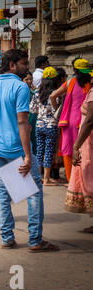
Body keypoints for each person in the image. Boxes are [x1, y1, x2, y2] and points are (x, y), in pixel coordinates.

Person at [0, 49, 59, 252]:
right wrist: (27, 156)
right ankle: (35, 240)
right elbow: (22, 122)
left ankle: (7, 238)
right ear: (12, 65)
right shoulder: (20, 88)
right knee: (33, 193)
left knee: (2, 192)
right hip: (16, 149)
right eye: (24, 63)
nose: (27, 67)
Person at [51, 58, 92, 183]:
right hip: (86, 122)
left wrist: (58, 109)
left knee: (68, 152)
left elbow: (53, 96)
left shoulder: (70, 83)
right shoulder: (90, 84)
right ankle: (84, 182)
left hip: (70, 122)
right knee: (85, 152)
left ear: (74, 70)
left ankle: (71, 182)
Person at [65, 78, 93, 231]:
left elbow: (89, 121)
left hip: (89, 143)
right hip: (87, 141)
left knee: (89, 175)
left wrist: (76, 146)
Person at [31, 67, 61, 186]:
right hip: (51, 125)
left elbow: (32, 108)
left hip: (39, 124)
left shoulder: (37, 92)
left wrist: (41, 114)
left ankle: (39, 178)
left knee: (39, 151)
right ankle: (47, 179)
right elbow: (56, 110)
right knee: (48, 151)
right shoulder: (55, 93)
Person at [23, 71, 38, 156]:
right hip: (26, 119)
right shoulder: (22, 93)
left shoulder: (34, 93)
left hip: (33, 119)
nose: (29, 81)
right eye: (26, 79)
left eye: (31, 79)